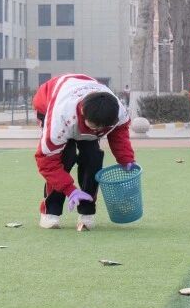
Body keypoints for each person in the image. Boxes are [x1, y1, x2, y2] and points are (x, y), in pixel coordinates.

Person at [33, 74, 136, 231]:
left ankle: (87, 213)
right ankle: (50, 212)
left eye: (103, 128)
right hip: (48, 101)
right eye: (94, 126)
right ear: (82, 112)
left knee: (92, 157)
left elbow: (119, 132)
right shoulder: (61, 117)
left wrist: (126, 159)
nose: (98, 131)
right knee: (65, 157)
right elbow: (46, 162)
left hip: (83, 100)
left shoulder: (118, 112)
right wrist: (70, 190)